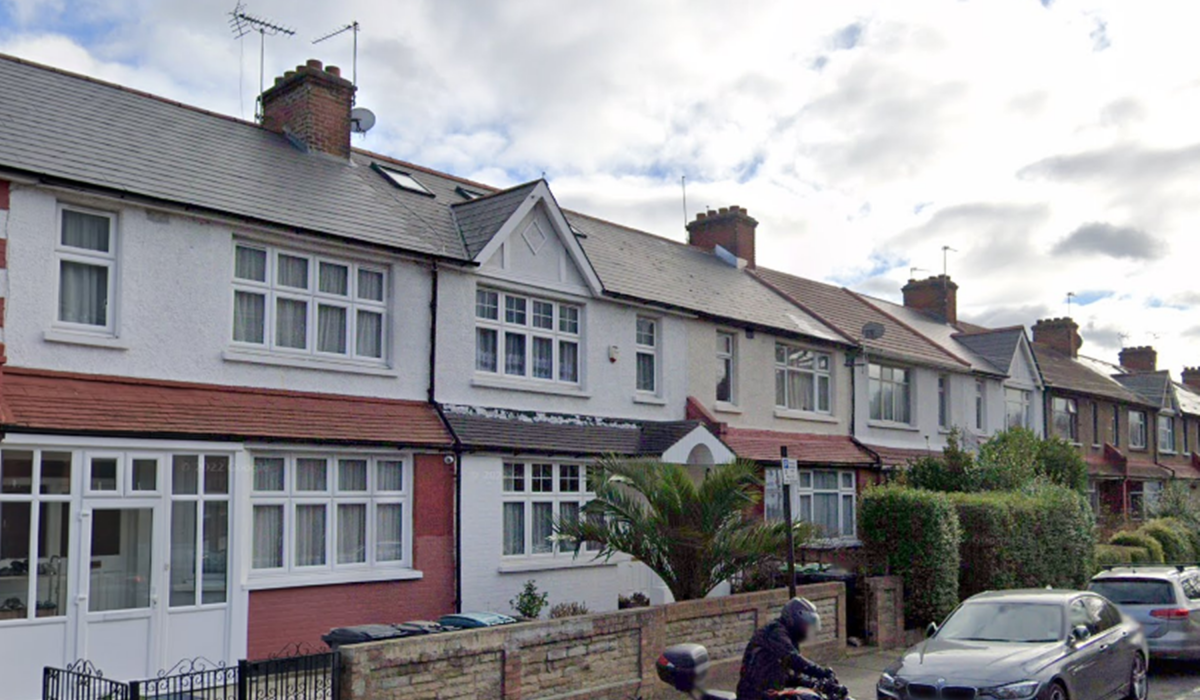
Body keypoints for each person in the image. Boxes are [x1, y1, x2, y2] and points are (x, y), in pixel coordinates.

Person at [736, 598, 848, 700]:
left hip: (769, 693)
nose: (806, 629)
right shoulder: (774, 632)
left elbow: (789, 675)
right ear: (794, 620)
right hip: (753, 695)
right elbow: (794, 659)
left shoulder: (789, 638)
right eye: (805, 625)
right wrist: (821, 672)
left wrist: (814, 684)